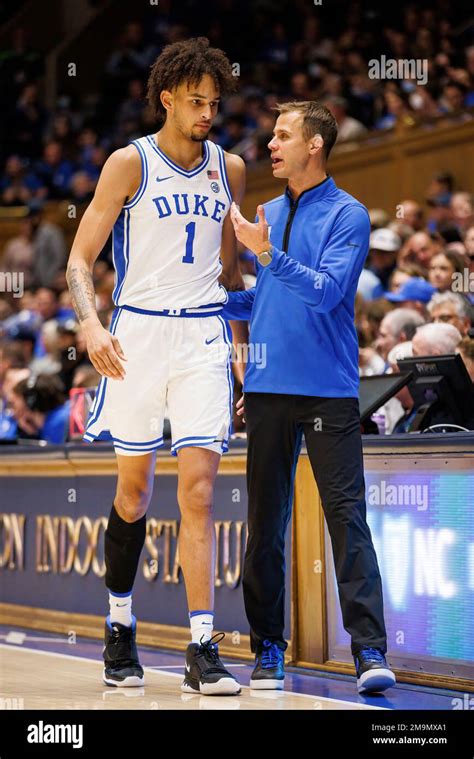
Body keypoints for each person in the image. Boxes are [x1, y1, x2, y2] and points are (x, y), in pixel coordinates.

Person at [66, 37, 246, 695]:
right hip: (136, 333)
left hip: (203, 336)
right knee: (134, 493)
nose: (207, 113)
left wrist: (245, 349)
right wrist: (89, 321)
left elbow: (228, 272)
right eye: (196, 101)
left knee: (198, 490)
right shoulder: (128, 163)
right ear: (168, 98)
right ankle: (119, 624)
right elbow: (80, 260)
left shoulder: (231, 167)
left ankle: (202, 646)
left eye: (215, 102)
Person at [224, 100, 396, 694]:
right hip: (268, 390)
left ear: (315, 145)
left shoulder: (349, 214)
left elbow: (324, 293)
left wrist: (266, 254)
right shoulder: (267, 210)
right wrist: (202, 302)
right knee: (263, 526)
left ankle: (369, 650)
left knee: (347, 520)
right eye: (272, 136)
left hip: (328, 392)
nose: (270, 145)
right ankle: (268, 647)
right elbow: (263, 301)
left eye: (282, 135)